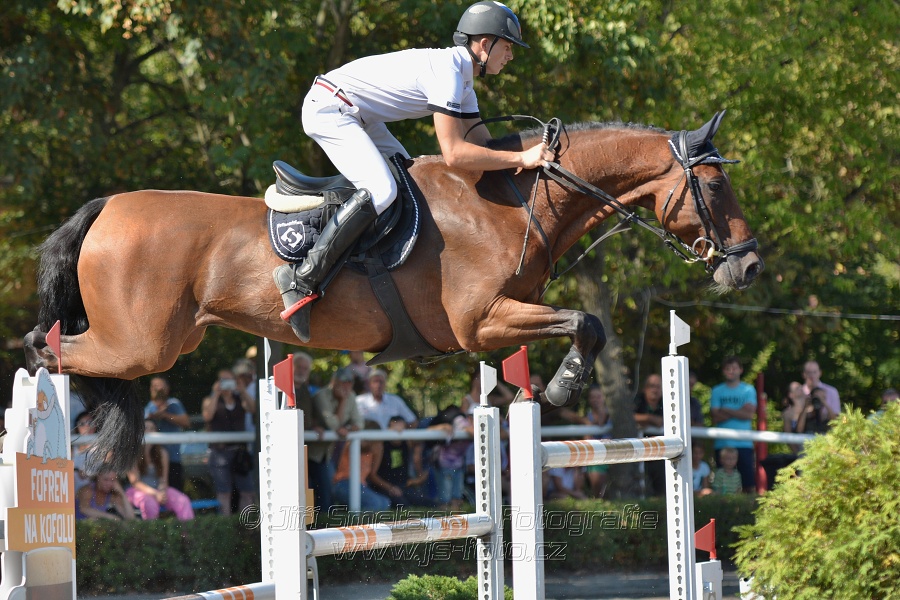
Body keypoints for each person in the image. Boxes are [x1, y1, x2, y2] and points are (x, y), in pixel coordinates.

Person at [273, 1, 554, 321]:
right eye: (508, 46)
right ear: (485, 44)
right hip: (330, 107)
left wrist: (532, 160)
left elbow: (484, 147)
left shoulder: (463, 81)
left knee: (412, 184)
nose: (511, 55)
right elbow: (456, 154)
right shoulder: (448, 74)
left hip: (359, 116)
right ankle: (302, 277)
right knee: (382, 190)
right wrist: (521, 156)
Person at [308, 367, 364, 512]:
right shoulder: (321, 395)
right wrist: (343, 401)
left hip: (329, 453)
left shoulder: (351, 396)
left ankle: (324, 524)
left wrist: (348, 428)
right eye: (343, 381)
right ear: (334, 381)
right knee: (315, 492)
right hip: (311, 452)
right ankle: (317, 526)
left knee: (326, 492)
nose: (347, 385)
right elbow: (333, 424)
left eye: (350, 382)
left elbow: (359, 423)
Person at [201, 369, 257, 516]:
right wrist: (216, 394)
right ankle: (226, 526)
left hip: (240, 452)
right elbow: (208, 416)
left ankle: (246, 526)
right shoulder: (210, 399)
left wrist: (243, 390)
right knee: (224, 492)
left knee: (247, 491)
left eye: (229, 380)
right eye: (223, 380)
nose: (226, 384)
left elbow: (254, 409)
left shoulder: (240, 399)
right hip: (219, 452)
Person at [125, 420, 195, 521]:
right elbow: (135, 482)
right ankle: (153, 535)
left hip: (158, 490)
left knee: (183, 501)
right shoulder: (131, 454)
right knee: (149, 503)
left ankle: (187, 534)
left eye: (152, 428)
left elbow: (163, 479)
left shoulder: (163, 453)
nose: (149, 431)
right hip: (137, 491)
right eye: (145, 428)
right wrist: (155, 494)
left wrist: (162, 491)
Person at [709, 357, 757, 493]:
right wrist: (739, 410)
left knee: (748, 484)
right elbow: (715, 416)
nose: (731, 371)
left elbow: (749, 415)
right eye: (728, 368)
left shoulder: (748, 390)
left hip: (744, 444)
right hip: (722, 443)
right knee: (722, 486)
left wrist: (725, 409)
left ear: (741, 370)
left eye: (735, 368)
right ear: (723, 371)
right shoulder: (717, 390)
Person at [369, 416, 436, 508]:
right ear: (389, 428)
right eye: (395, 428)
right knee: (403, 505)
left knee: (428, 503)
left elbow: (423, 434)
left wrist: (442, 427)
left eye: (402, 428)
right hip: (384, 487)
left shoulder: (407, 441)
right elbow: (372, 475)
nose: (399, 432)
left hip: (403, 486)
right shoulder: (380, 445)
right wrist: (390, 488)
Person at [331, 420, 390, 511]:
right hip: (342, 483)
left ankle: (354, 515)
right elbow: (362, 446)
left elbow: (372, 474)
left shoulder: (376, 447)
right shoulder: (353, 441)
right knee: (375, 503)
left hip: (361, 485)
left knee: (385, 502)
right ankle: (357, 522)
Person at [144, 376, 190, 491]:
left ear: (167, 389)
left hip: (173, 458)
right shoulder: (148, 408)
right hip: (153, 462)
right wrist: (152, 416)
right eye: (155, 386)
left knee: (175, 492)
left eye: (160, 386)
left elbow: (186, 422)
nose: (158, 389)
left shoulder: (173, 404)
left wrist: (165, 415)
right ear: (150, 389)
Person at [429, 403, 473, 510]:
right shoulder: (460, 421)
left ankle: (456, 521)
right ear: (469, 417)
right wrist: (442, 426)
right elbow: (472, 431)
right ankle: (444, 521)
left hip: (458, 463)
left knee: (457, 496)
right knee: (445, 498)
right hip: (444, 463)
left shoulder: (466, 422)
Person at [633, 374, 665, 496]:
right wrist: (650, 418)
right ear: (645, 388)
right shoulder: (638, 399)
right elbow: (628, 417)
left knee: (660, 489)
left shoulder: (667, 402)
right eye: (651, 386)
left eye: (658, 386)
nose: (655, 390)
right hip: (640, 453)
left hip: (660, 453)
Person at [583, 385, 610, 498]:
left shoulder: (611, 413)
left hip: (611, 453)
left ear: (604, 398)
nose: (595, 400)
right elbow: (587, 438)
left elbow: (601, 422)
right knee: (597, 488)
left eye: (598, 397)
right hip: (595, 455)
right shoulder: (586, 417)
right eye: (592, 397)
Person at [72, 411, 98, 493]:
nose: (87, 426)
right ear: (77, 427)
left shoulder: (103, 446)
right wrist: (76, 471)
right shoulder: (71, 447)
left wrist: (92, 476)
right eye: (82, 423)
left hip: (94, 488)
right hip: (73, 488)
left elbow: (108, 471)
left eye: (90, 422)